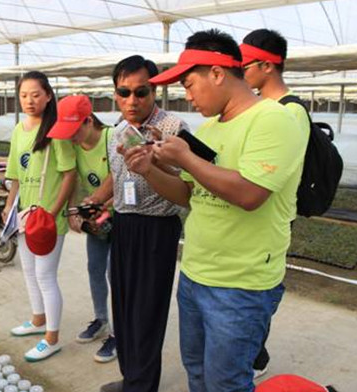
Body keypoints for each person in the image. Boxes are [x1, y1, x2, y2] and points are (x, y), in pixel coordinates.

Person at [121, 29, 305, 392]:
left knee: (226, 383)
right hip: (195, 276)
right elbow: (190, 195)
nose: (188, 96)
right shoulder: (209, 128)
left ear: (217, 73)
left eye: (190, 85)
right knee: (198, 372)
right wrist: (150, 170)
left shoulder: (273, 119)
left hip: (240, 286)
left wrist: (186, 157)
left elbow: (250, 194)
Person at [88, 55, 188, 392]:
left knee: (147, 310)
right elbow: (116, 177)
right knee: (125, 305)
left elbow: (186, 186)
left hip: (157, 227)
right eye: (124, 92)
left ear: (154, 91)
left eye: (141, 92)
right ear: (115, 94)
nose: (132, 100)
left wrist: (156, 159)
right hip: (124, 225)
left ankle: (142, 386)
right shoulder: (116, 131)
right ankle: (130, 376)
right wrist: (95, 201)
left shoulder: (173, 128)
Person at [240, 28, 311, 379]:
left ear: (267, 65)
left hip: (274, 214)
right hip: (254, 210)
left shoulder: (289, 111)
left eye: (244, 66)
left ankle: (255, 358)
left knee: (261, 287)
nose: (240, 73)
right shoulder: (260, 108)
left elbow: (275, 174)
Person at [3, 71, 77, 362]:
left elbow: (69, 174)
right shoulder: (18, 130)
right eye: (24, 95)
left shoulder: (55, 131)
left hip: (48, 219)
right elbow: (16, 175)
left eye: (36, 94)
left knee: (45, 275)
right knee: (29, 270)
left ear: (48, 96)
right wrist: (9, 205)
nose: (29, 100)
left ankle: (52, 338)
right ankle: (37, 319)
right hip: (25, 215)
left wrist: (54, 213)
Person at [46, 94, 117, 363]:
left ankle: (120, 333)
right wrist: (75, 209)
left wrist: (102, 202)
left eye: (74, 130)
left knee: (115, 274)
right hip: (95, 218)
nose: (70, 137)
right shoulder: (73, 146)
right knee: (95, 268)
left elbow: (121, 176)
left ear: (88, 121)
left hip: (119, 215)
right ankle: (101, 320)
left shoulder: (111, 138)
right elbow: (73, 179)